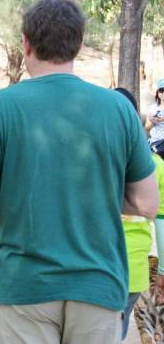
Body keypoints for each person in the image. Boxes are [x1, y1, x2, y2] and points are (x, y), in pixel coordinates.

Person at [0, 0, 160, 343]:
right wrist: (105, 199)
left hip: (25, 284)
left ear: (26, 43)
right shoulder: (119, 108)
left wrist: (4, 203)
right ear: (78, 44)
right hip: (98, 283)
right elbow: (146, 204)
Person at [115, 87, 164, 340]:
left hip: (96, 266)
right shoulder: (154, 163)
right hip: (134, 268)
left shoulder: (94, 160)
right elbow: (161, 218)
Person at [146, 79, 164, 158]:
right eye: (161, 90)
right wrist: (152, 121)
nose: (163, 93)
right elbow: (147, 128)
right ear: (157, 92)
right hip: (155, 143)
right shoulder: (153, 107)